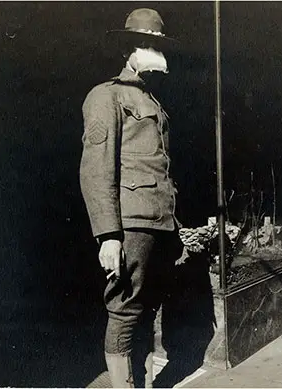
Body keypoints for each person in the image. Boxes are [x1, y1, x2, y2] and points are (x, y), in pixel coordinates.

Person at [80, 8, 182, 387]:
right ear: (130, 51)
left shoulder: (151, 100)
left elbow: (161, 166)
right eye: (148, 46)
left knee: (148, 303)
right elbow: (96, 170)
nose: (157, 54)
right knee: (123, 307)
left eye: (158, 45)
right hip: (131, 222)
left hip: (158, 220)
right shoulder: (106, 97)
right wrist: (108, 235)